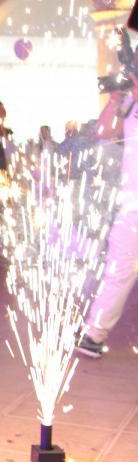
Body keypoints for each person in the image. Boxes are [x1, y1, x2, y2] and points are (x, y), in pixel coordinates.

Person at [77, 67, 138, 358]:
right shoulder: (130, 101)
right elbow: (103, 131)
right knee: (118, 270)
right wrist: (115, 100)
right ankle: (93, 335)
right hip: (131, 206)